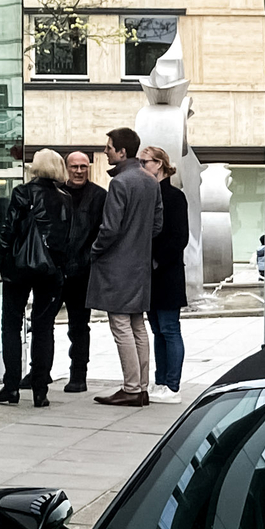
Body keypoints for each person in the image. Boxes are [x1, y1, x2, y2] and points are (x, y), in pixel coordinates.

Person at [0, 148, 77, 406]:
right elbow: (68, 237)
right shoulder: (65, 198)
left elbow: (8, 231)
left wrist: (0, 264)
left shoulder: (22, 192)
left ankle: (11, 386)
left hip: (19, 267)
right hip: (51, 270)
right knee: (43, 328)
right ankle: (40, 389)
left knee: (11, 325)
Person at [88, 125, 159, 407]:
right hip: (140, 264)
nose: (105, 151)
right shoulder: (150, 181)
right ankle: (141, 387)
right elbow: (157, 224)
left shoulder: (120, 183)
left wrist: (94, 250)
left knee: (121, 325)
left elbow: (109, 229)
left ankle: (131, 388)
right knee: (138, 325)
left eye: (109, 147)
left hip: (117, 265)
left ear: (122, 151)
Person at [141, 145, 191, 403]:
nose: (141, 166)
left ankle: (172, 385)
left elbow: (180, 237)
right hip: (151, 273)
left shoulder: (173, 197)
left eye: (145, 162)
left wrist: (157, 260)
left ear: (159, 164)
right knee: (158, 330)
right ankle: (161, 381)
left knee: (169, 329)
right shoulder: (149, 194)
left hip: (167, 273)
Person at [56, 148, 106, 391]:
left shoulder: (99, 196)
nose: (78, 171)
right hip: (55, 269)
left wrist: (90, 257)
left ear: (89, 168)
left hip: (82, 271)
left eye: (83, 166)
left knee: (78, 326)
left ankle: (78, 375)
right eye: (74, 166)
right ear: (67, 168)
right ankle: (38, 371)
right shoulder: (55, 193)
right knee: (42, 323)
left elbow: (105, 231)